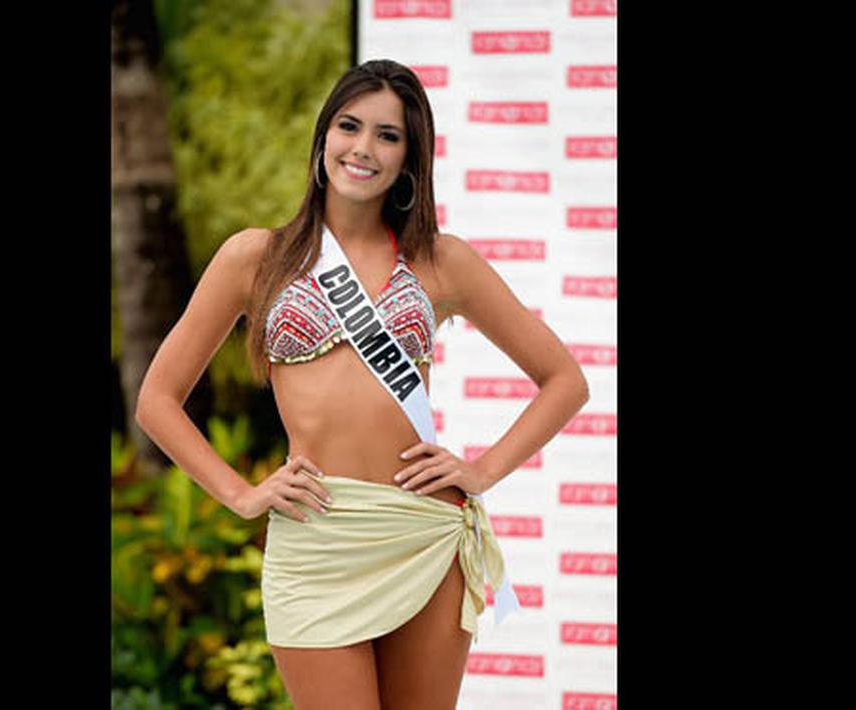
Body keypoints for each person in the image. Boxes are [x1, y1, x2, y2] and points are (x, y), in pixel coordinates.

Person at [135, 59, 590, 710]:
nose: (363, 148)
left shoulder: (440, 261)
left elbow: (563, 380)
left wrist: (482, 470)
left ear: (409, 158)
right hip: (316, 533)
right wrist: (239, 494)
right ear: (323, 137)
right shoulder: (252, 259)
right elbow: (157, 399)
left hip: (421, 532)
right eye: (350, 126)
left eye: (388, 135)